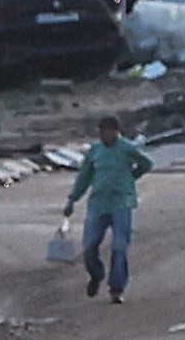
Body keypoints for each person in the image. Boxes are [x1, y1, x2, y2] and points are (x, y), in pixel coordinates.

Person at [63, 115, 148, 304]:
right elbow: (84, 177)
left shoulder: (127, 149)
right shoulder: (95, 151)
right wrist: (72, 199)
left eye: (108, 131)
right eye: (101, 131)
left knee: (119, 247)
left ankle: (116, 288)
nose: (104, 135)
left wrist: (131, 178)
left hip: (121, 204)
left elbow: (146, 163)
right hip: (98, 204)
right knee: (89, 246)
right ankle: (97, 274)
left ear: (116, 131)